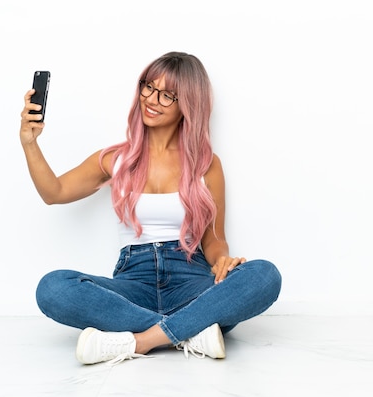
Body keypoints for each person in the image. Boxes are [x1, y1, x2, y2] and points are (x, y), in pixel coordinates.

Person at [19, 51, 282, 365]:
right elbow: (54, 192)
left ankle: (142, 340)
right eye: (148, 87)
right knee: (53, 287)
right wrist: (30, 143)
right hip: (134, 284)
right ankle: (191, 330)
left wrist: (223, 261)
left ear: (189, 103)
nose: (152, 99)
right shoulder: (115, 159)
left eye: (168, 95)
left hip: (192, 281)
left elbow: (214, 239)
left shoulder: (207, 165)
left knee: (264, 275)